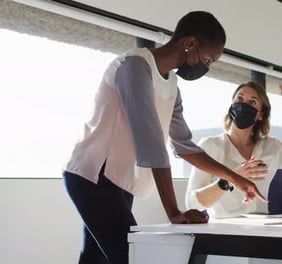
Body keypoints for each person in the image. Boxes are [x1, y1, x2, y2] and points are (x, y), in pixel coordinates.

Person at [62, 11, 266, 264]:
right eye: (208, 59)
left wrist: (237, 178)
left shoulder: (171, 87)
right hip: (92, 175)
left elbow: (184, 146)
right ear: (190, 43)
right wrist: (174, 212)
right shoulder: (135, 66)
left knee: (95, 258)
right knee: (133, 256)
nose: (207, 66)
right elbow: (151, 143)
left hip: (119, 180)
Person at [185, 81, 282, 218]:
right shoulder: (211, 146)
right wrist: (231, 178)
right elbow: (192, 204)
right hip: (224, 231)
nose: (243, 105)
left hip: (262, 230)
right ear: (231, 106)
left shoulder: (272, 147)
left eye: (252, 102)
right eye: (239, 99)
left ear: (261, 114)